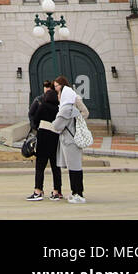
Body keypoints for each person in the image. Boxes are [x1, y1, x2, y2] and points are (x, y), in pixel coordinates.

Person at [51, 74, 89, 203]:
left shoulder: (66, 108)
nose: (56, 91)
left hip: (70, 140)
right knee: (75, 167)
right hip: (73, 139)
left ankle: (78, 194)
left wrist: (76, 119)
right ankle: (77, 192)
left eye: (57, 87)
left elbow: (57, 125)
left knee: (74, 168)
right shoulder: (69, 108)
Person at [26, 83, 62, 201]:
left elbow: (35, 121)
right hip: (55, 139)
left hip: (43, 139)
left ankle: (38, 191)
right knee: (55, 167)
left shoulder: (43, 106)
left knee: (40, 166)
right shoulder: (58, 109)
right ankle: (57, 191)